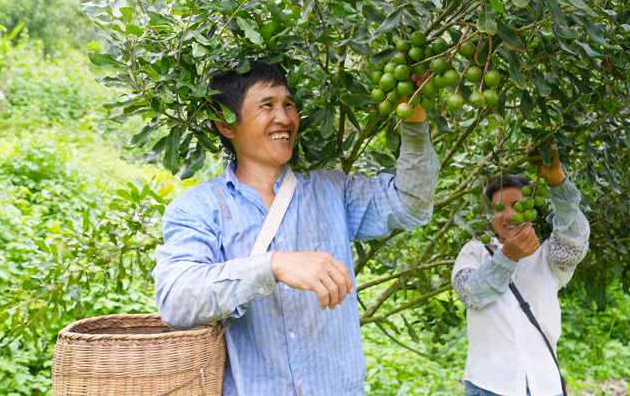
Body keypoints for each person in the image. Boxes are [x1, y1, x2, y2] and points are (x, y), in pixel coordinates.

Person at [153, 61, 439, 396]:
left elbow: (413, 203)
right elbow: (176, 301)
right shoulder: (199, 208)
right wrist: (272, 265)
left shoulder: (333, 191)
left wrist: (415, 118)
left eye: (288, 104)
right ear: (226, 124)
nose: (285, 118)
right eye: (267, 105)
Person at [451, 155, 590, 396]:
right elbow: (471, 293)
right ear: (488, 214)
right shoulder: (474, 252)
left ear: (531, 209)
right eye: (498, 207)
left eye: (516, 205)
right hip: (489, 386)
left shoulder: (548, 255)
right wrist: (508, 256)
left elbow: (574, 242)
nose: (507, 215)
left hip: (544, 386)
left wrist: (557, 182)